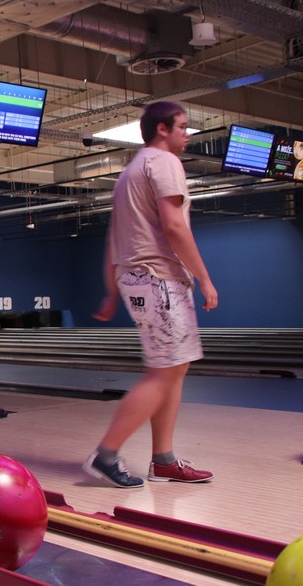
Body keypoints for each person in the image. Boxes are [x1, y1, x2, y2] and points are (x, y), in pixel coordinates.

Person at [83, 101, 218, 489]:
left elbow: (114, 241)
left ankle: (164, 460)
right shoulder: (164, 162)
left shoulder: (130, 172)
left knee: (173, 368)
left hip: (138, 277)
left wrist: (112, 292)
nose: (187, 134)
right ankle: (105, 454)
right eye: (183, 126)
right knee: (164, 373)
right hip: (159, 277)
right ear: (162, 129)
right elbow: (175, 226)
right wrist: (204, 278)